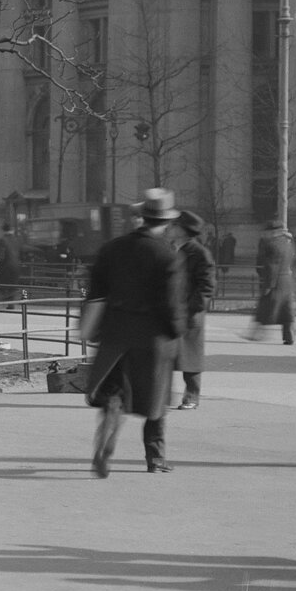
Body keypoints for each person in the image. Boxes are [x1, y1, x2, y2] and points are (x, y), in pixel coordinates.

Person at [82, 187, 186, 477]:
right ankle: (155, 458)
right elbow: (172, 304)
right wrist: (176, 332)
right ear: (165, 221)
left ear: (142, 216)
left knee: (114, 395)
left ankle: (104, 444)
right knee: (156, 401)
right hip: (152, 338)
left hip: (115, 333)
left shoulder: (111, 249)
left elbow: (95, 293)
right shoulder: (167, 255)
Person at [174, 209, 218, 410]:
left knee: (190, 356)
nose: (170, 228)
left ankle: (192, 395)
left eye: (174, 225)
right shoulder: (172, 248)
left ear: (183, 230)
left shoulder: (200, 253)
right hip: (172, 310)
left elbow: (207, 285)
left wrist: (193, 308)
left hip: (190, 312)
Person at [251, 218, 296, 343]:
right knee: (286, 311)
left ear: (273, 232)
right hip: (288, 281)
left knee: (264, 308)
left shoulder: (271, 245)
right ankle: (290, 336)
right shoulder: (289, 244)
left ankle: (257, 333)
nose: (265, 234)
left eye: (267, 232)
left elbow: (272, 266)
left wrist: (268, 285)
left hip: (276, 282)